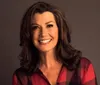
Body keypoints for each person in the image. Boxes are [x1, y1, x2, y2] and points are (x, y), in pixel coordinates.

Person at [12, 1, 98, 85]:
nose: (43, 34)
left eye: (49, 25)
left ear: (60, 30)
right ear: (29, 33)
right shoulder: (21, 77)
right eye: (35, 27)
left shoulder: (83, 67)